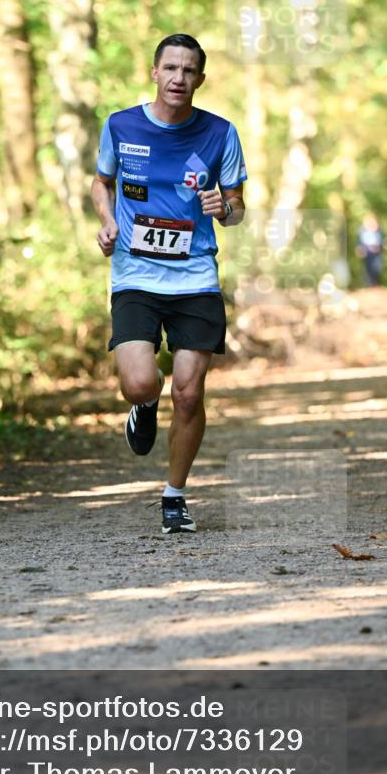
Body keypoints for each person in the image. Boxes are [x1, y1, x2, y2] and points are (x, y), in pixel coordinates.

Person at [91, 33, 247, 535]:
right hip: (135, 274)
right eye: (171, 68)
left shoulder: (220, 133)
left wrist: (226, 209)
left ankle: (174, 496)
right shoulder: (121, 125)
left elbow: (237, 206)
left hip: (196, 276)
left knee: (189, 393)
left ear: (201, 79)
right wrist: (107, 219)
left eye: (190, 70)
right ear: (154, 73)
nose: (180, 78)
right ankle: (143, 406)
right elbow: (102, 182)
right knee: (140, 383)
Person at [356, 214, 384, 287]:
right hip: (367, 252)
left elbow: (382, 240)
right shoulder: (362, 231)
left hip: (377, 252)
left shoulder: (378, 231)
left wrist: (380, 246)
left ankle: (375, 283)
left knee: (378, 268)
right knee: (368, 269)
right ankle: (370, 284)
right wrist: (360, 249)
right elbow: (359, 242)